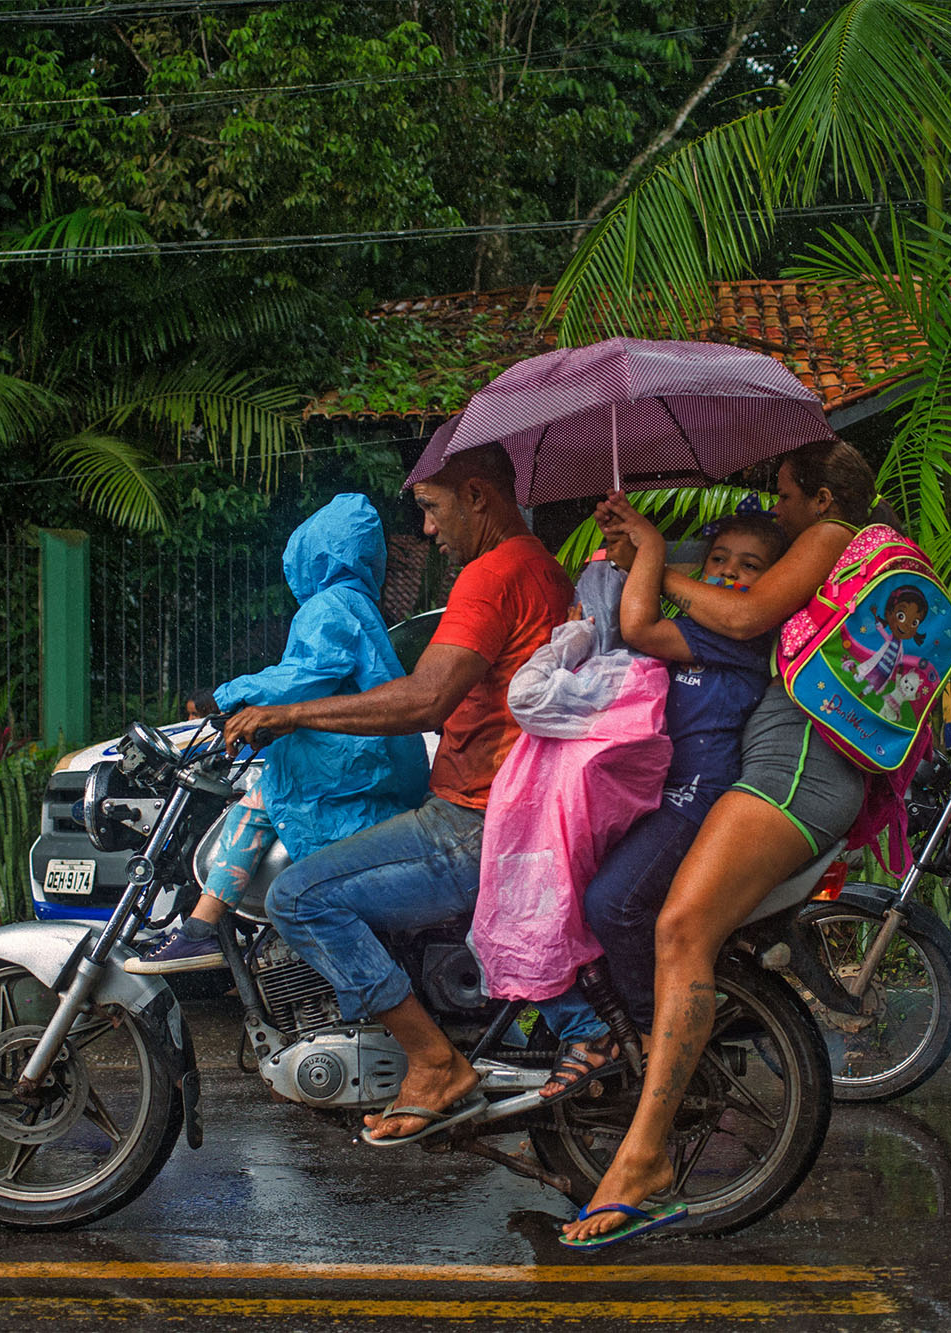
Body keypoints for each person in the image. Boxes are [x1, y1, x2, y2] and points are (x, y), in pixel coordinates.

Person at [562, 438, 895, 1245]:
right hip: (791, 763)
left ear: (820, 498)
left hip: (794, 766)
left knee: (676, 928)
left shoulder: (829, 534)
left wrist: (652, 556)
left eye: (783, 492)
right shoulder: (849, 551)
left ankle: (645, 1158)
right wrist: (645, 550)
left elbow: (741, 611)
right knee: (668, 924)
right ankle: (644, 1139)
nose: (774, 505)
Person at [222, 446, 573, 1144]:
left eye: (433, 510)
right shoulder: (543, 567)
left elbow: (423, 699)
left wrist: (287, 714)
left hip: (470, 819)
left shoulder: (491, 574)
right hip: (510, 805)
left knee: (298, 896)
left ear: (477, 496)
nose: (428, 531)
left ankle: (431, 1058)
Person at [528, 509, 788, 1099]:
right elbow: (625, 647)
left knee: (613, 903)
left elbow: (641, 626)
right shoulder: (698, 627)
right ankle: (606, 1021)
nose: (726, 575)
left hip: (693, 800)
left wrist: (649, 547)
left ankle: (655, 1031)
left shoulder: (738, 635)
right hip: (650, 793)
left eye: (749, 568)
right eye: (719, 560)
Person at [128, 494, 429, 974]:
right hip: (373, 761)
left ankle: (202, 929)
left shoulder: (329, 605)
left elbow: (305, 674)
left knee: (262, 804)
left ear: (313, 553)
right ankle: (210, 931)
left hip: (349, 763)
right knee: (267, 803)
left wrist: (224, 697)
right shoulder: (360, 605)